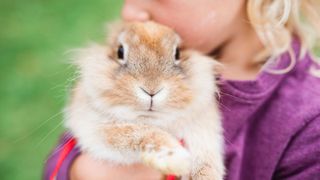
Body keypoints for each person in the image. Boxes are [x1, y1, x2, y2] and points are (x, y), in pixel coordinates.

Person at [44, 0, 320, 179]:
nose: (130, 12)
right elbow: (60, 160)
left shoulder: (309, 123)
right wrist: (83, 171)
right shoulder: (111, 65)